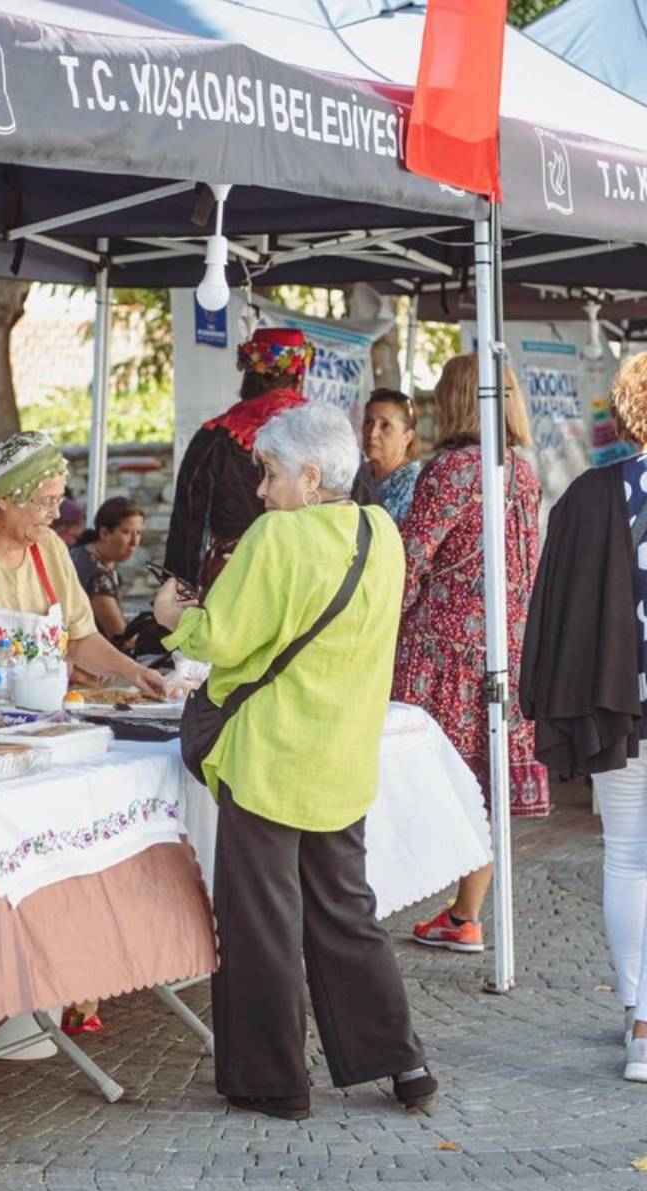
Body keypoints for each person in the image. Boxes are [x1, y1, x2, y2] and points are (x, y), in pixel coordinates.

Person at [153, 403, 435, 1121]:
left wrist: (172, 616)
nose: (261, 488)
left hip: (271, 759)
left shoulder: (277, 537)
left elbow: (223, 638)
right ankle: (401, 1060)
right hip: (341, 757)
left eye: (271, 472)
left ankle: (276, 1083)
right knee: (347, 913)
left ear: (312, 477)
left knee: (263, 927)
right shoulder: (382, 532)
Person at [520, 353, 647, 1080]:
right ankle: (644, 1030)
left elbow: (554, 609)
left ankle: (635, 1009)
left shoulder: (589, 495)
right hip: (620, 704)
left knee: (628, 857)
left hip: (612, 703)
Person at [395, 354, 549, 955]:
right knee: (487, 785)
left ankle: (391, 892)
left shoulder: (452, 470)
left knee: (428, 775)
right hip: (508, 645)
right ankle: (467, 913)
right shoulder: (522, 471)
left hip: (446, 648)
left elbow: (413, 559)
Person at [0, 432, 168, 708]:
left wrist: (133, 671)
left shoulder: (51, 547)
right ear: (4, 498)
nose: (56, 514)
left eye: (58, 500)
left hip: (20, 714)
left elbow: (80, 637)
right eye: (45, 501)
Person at [165, 328, 314, 589]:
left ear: (248, 372)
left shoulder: (214, 439)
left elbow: (188, 531)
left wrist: (177, 591)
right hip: (310, 579)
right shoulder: (329, 439)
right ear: (299, 375)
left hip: (233, 581)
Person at [70, 497, 145, 644]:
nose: (134, 543)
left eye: (138, 533)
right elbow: (120, 637)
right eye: (126, 532)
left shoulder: (80, 553)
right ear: (104, 533)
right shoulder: (97, 574)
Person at [362, 388, 421, 525]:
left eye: (385, 425)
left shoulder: (414, 487)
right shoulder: (360, 475)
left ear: (407, 437)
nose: (372, 433)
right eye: (368, 422)